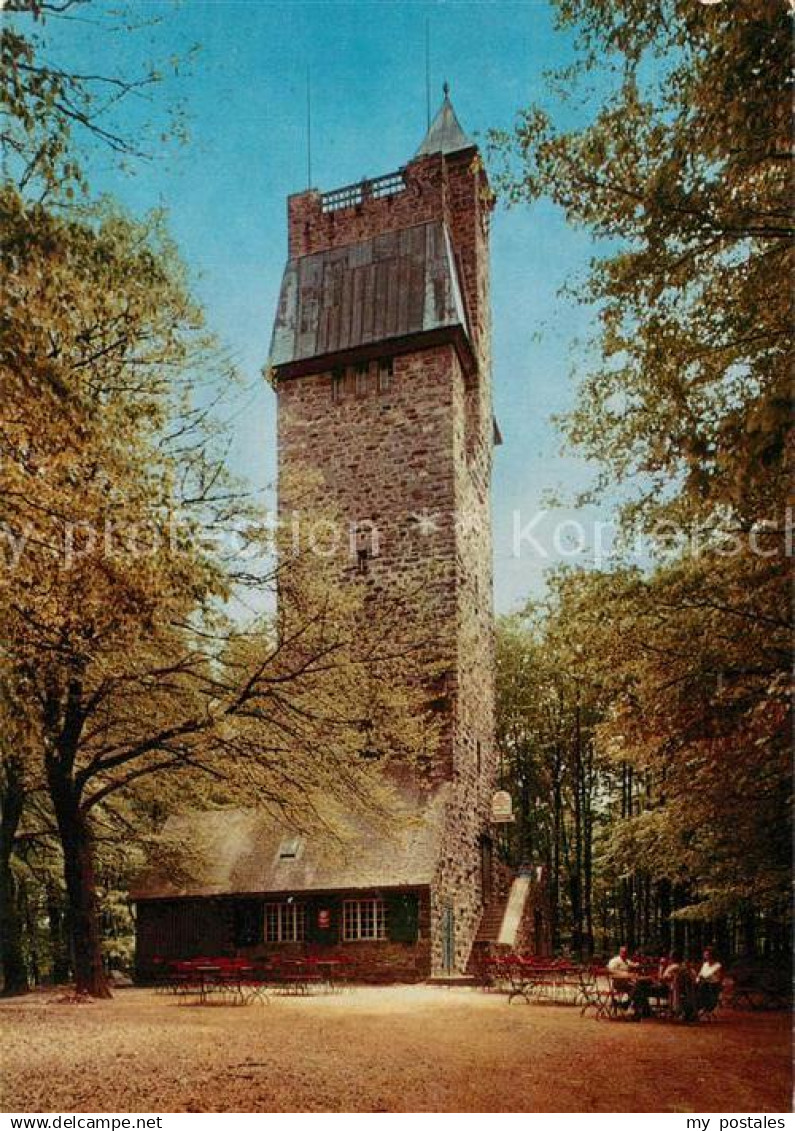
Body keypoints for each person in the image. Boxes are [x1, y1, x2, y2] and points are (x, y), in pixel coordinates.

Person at [608, 946, 648, 1018]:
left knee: (640, 989)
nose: (624, 954)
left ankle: (633, 1007)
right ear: (620, 952)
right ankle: (638, 1009)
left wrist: (640, 964)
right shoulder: (614, 961)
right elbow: (610, 970)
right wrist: (623, 974)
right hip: (618, 983)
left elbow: (634, 965)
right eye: (623, 952)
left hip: (627, 982)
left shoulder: (626, 961)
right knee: (638, 989)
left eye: (626, 953)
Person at [662, 950, 698, 1021]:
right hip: (687, 990)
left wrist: (662, 968)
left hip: (674, 989)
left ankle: (676, 1010)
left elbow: (664, 978)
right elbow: (694, 978)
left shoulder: (674, 967)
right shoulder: (687, 968)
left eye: (671, 957)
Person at [696, 947, 724, 1014]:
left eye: (707, 955)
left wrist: (706, 979)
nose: (706, 957)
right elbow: (700, 974)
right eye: (705, 955)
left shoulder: (718, 965)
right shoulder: (705, 964)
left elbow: (716, 978)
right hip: (703, 984)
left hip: (713, 986)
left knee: (703, 986)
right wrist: (697, 979)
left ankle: (704, 1007)